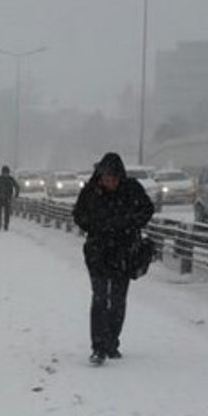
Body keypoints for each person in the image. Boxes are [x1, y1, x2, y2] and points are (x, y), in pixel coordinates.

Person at [72, 152, 154, 365]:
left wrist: (129, 223)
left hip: (124, 252)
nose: (111, 183)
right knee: (99, 297)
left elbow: (147, 210)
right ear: (100, 176)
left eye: (114, 179)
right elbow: (78, 215)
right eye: (107, 178)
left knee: (117, 299)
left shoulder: (132, 189)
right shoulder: (91, 192)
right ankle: (98, 346)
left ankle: (112, 342)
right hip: (97, 251)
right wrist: (96, 226)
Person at [0, 165, 19, 231]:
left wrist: (16, 194)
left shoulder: (11, 179)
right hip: (0, 198)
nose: (5, 174)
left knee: (7, 213)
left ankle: (6, 225)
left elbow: (17, 186)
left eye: (6, 173)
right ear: (2, 173)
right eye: (4, 173)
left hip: (8, 198)